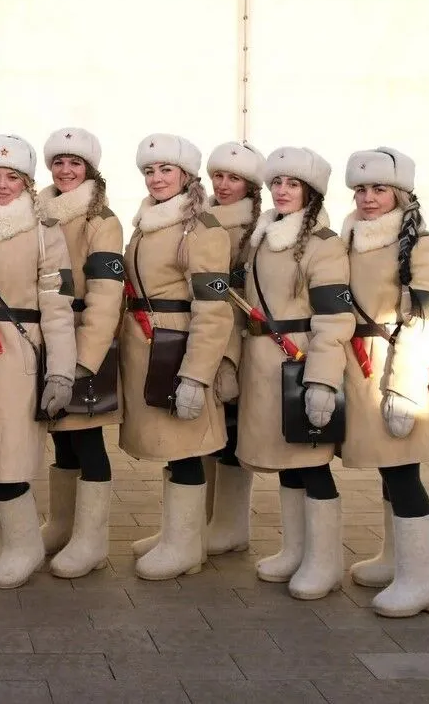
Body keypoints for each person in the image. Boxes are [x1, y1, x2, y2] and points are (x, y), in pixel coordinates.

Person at [0, 134, 75, 589]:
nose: (2, 185)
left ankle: (25, 545)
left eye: (13, 177)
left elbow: (58, 304)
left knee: (11, 452)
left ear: (27, 181)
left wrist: (61, 368)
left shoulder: (45, 231)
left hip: (20, 350)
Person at [237, 147, 353, 600]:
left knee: (313, 462)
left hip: (300, 362)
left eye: (293, 184)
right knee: (289, 460)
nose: (282, 192)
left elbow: (334, 319)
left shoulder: (325, 245)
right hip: (262, 363)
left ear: (312, 191)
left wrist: (322, 380)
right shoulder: (262, 235)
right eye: (277, 183)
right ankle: (295, 550)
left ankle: (325, 563)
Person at [341, 147, 429, 617]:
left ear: (400, 193)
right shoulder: (349, 238)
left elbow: (427, 322)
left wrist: (404, 389)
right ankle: (395, 558)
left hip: (396, 368)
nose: (367, 198)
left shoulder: (422, 246)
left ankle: (423, 579)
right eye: (361, 189)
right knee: (389, 467)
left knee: (403, 471)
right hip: (360, 367)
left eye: (378, 189)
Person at [120, 134, 231, 581]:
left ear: (185, 175)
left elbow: (214, 309)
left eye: (166, 170)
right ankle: (177, 533)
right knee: (171, 445)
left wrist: (196, 375)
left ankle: (185, 546)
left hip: (177, 350)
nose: (157, 178)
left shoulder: (202, 230)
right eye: (150, 171)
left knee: (185, 448)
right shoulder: (148, 223)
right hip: (146, 347)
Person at [35, 127, 124, 579]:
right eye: (59, 162)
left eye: (75, 163)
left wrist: (85, 359)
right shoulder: (38, 212)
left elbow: (107, 296)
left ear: (90, 169)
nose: (66, 171)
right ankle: (63, 526)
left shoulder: (101, 219)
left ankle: (91, 540)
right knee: (61, 434)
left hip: (84, 337)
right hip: (50, 336)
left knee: (88, 438)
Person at [201, 142, 265, 557]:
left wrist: (230, 356)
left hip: (235, 343)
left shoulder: (254, 231)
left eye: (234, 178)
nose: (223, 185)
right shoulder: (199, 220)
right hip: (197, 335)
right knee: (196, 430)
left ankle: (229, 525)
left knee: (230, 430)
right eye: (218, 176)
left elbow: (248, 299)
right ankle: (195, 522)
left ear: (250, 185)